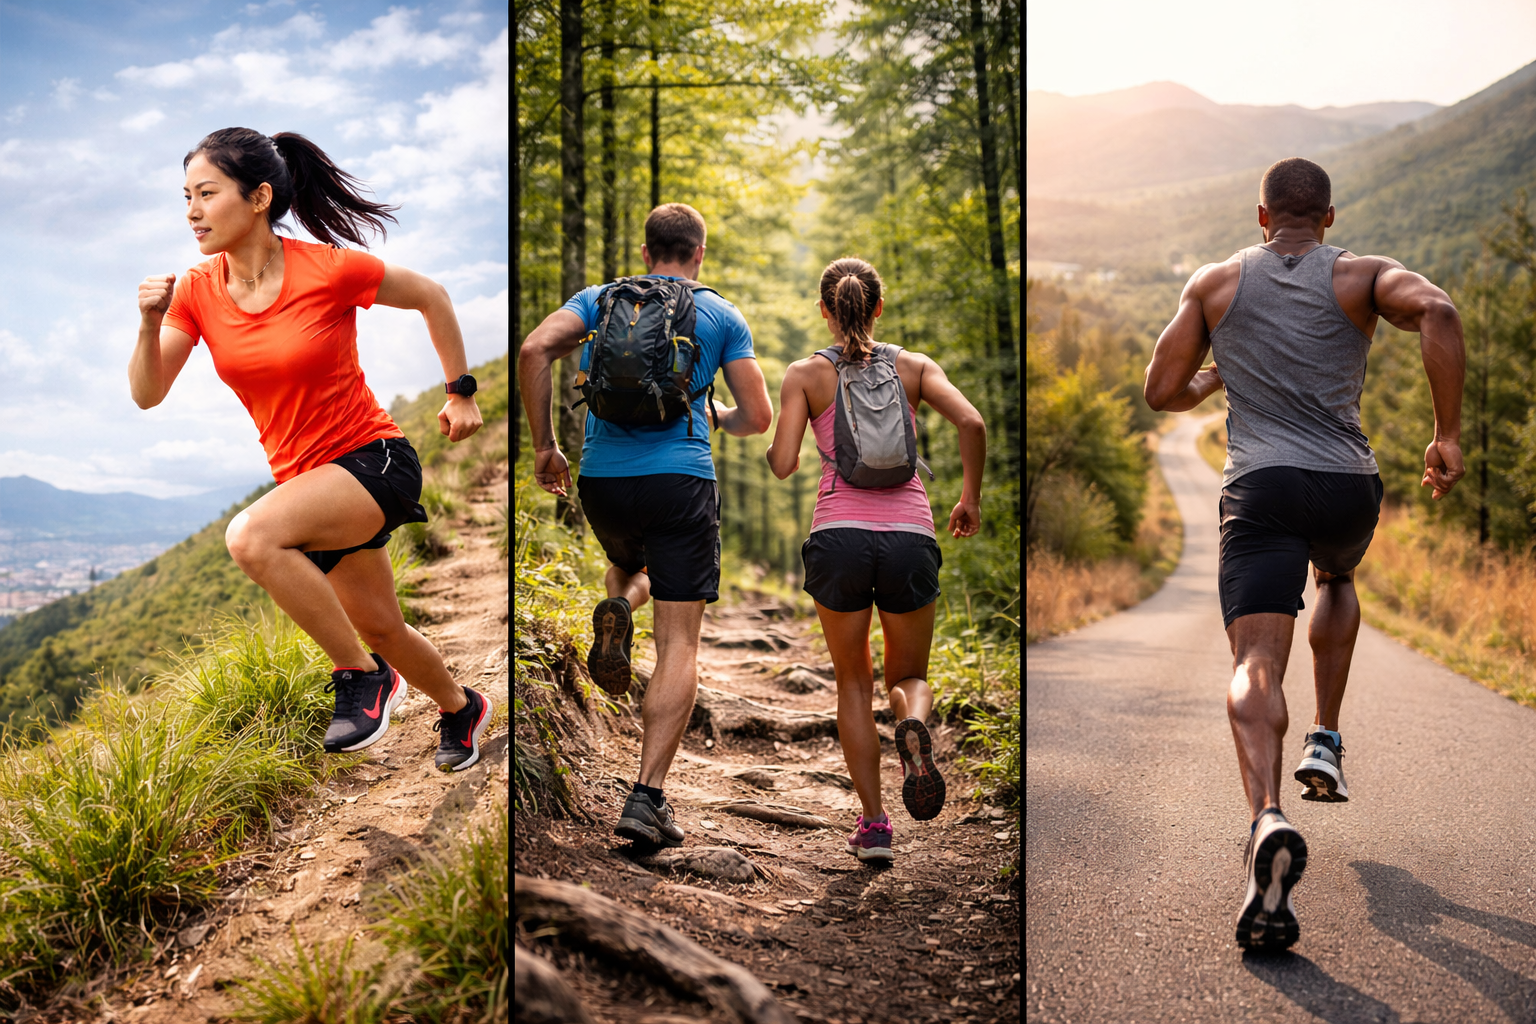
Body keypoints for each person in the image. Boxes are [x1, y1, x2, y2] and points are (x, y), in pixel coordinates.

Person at [1143, 156, 1466, 950]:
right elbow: (1440, 313)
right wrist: (1445, 434)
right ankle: (1327, 735)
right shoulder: (1363, 275)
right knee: (1339, 573)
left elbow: (1161, 390)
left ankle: (1266, 819)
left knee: (1255, 661)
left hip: (1260, 490)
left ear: (1261, 217)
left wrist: (1216, 380)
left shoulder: (1216, 284)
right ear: (1327, 217)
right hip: (1348, 486)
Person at [131, 127, 494, 773]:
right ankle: (461, 706)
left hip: (372, 460)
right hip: (310, 485)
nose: (191, 211)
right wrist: (149, 321)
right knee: (384, 625)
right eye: (185, 196)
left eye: (206, 193)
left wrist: (461, 392)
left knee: (251, 538)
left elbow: (431, 296)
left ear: (259, 196)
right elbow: (147, 394)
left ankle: (360, 678)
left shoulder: (327, 269)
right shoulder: (195, 289)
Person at [518, 202, 773, 847]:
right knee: (679, 644)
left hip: (603, 480)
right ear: (700, 253)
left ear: (645, 253)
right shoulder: (720, 314)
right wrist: (714, 415)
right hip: (680, 481)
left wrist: (547, 446)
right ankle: (647, 796)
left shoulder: (601, 300)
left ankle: (615, 604)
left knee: (632, 566)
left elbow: (533, 349)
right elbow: (759, 415)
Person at [765, 257, 987, 862]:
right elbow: (972, 421)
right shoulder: (913, 367)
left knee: (853, 684)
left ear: (826, 312)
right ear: (878, 308)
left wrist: (779, 438)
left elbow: (784, 463)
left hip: (838, 537)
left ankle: (874, 826)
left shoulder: (806, 375)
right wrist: (967, 499)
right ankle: (913, 722)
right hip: (910, 536)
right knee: (907, 676)